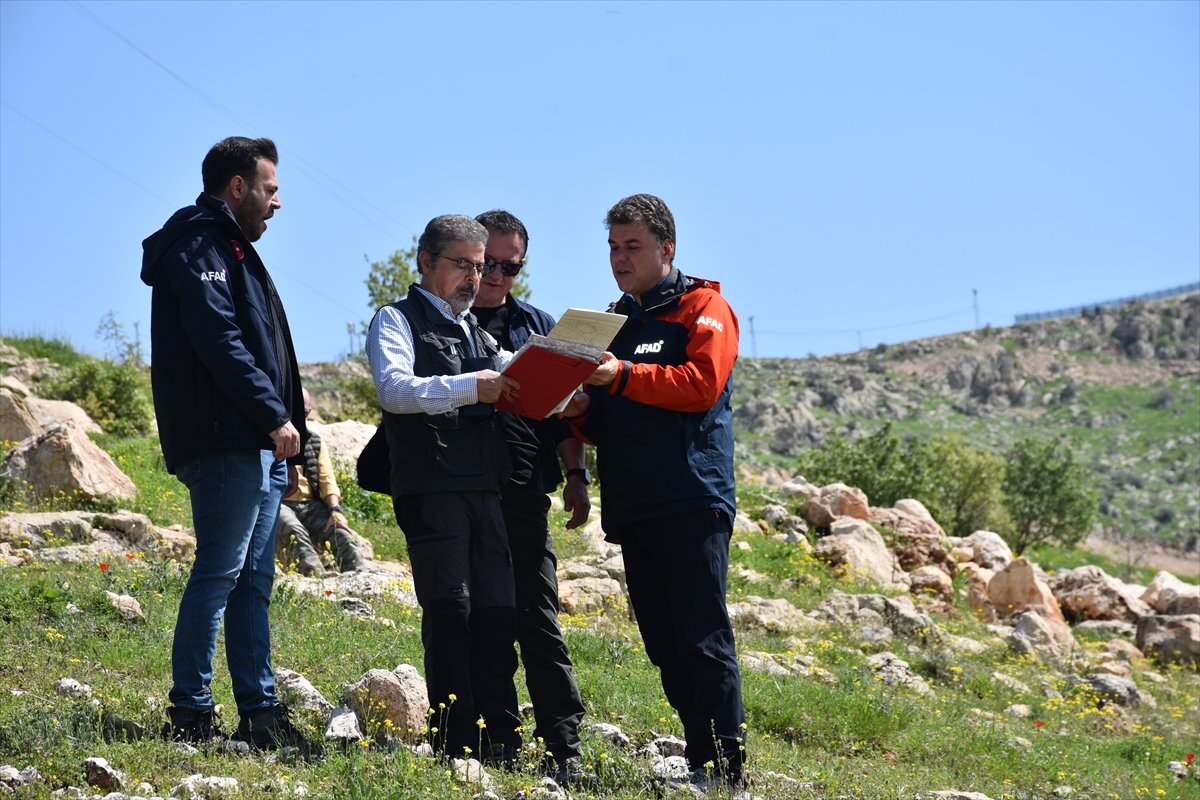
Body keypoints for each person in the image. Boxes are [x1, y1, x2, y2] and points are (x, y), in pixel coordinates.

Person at [563, 194, 746, 792]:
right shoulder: (613, 322)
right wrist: (578, 409)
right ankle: (700, 758)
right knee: (664, 644)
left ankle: (725, 772)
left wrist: (618, 375)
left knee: (701, 636)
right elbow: (607, 419)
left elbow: (699, 386)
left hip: (692, 497)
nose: (620, 258)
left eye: (632, 246)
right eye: (613, 247)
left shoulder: (704, 306)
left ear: (667, 248)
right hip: (634, 502)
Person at [140, 136, 314, 754]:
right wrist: (273, 416)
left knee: (252, 580)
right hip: (224, 441)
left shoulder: (235, 248)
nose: (277, 202)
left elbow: (271, 351)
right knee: (220, 573)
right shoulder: (199, 243)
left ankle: (260, 710)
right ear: (236, 187)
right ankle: (190, 711)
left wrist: (296, 436)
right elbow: (219, 339)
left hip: (260, 445)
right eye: (269, 189)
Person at [365, 214, 522, 763]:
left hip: (484, 489)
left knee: (499, 613)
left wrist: (567, 375)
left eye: (480, 267)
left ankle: (503, 740)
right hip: (430, 488)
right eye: (462, 264)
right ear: (426, 262)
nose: (474, 277)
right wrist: (470, 386)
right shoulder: (395, 319)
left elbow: (517, 373)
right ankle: (455, 744)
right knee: (451, 611)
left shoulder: (477, 331)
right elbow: (393, 389)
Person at [473, 210, 590, 784]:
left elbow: (564, 417)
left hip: (524, 492)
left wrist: (576, 475)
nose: (496, 275)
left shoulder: (539, 326)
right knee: (481, 617)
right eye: (487, 262)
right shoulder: (437, 319)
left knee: (538, 616)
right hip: (460, 495)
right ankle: (493, 738)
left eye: (510, 266)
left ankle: (564, 744)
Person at [276, 388, 367, 576]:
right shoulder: (270, 438)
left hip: (311, 504)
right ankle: (317, 582)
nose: (302, 415)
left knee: (341, 534)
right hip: (280, 503)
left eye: (306, 411)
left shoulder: (314, 441)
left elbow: (327, 479)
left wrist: (335, 511)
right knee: (294, 530)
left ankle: (359, 578)